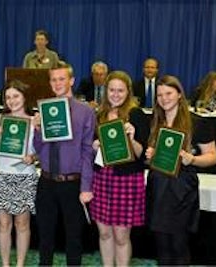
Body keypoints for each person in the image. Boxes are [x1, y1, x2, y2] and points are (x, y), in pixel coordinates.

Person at [145, 75, 216, 265]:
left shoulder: (197, 123)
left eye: (168, 93)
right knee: (161, 246)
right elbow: (152, 158)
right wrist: (150, 155)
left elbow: (212, 157)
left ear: (179, 94)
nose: (164, 98)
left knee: (179, 245)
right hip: (158, 188)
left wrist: (192, 158)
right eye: (159, 95)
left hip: (182, 190)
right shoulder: (155, 122)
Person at [32, 63, 96, 265]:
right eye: (53, 79)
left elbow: (87, 151)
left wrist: (86, 187)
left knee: (74, 240)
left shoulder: (85, 112)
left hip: (72, 183)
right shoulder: (44, 109)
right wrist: (37, 129)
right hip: (47, 181)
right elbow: (38, 149)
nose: (58, 83)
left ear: (72, 81)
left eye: (62, 79)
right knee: (45, 238)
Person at [90, 71, 149, 266]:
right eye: (112, 90)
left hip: (126, 179)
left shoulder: (136, 114)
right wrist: (94, 146)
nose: (115, 94)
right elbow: (90, 146)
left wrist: (131, 139)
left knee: (121, 236)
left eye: (120, 91)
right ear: (106, 91)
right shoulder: (99, 115)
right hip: (102, 178)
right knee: (104, 232)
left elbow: (141, 153)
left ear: (128, 92)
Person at [0, 80, 39, 267]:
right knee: (3, 225)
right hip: (1, 174)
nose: (12, 101)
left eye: (16, 96)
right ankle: (5, 264)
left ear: (24, 97)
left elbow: (42, 150)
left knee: (22, 224)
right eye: (8, 97)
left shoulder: (35, 120)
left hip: (25, 175)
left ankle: (19, 264)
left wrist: (32, 157)